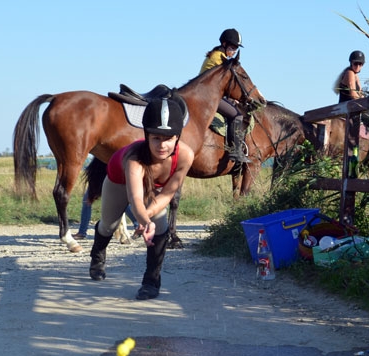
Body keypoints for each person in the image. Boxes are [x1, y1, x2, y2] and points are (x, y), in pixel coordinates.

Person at [88, 96, 194, 300]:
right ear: (146, 136)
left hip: (151, 188)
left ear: (177, 138)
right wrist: (144, 220)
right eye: (156, 138)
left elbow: (168, 193)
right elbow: (135, 197)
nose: (162, 145)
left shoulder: (186, 156)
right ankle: (97, 254)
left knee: (161, 224)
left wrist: (150, 220)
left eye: (169, 138)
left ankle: (151, 281)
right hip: (118, 182)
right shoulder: (134, 158)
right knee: (108, 226)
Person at [200, 28, 249, 164]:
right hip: (208, 97)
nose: (234, 51)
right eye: (232, 47)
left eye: (236, 48)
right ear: (224, 43)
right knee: (237, 115)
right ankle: (236, 151)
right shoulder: (219, 59)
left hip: (209, 94)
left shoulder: (217, 55)